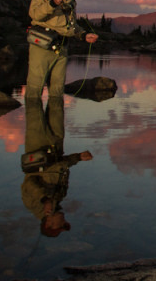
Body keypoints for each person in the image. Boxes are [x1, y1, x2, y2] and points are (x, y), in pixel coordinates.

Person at [25, 0, 98, 100]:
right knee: (35, 90)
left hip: (62, 48)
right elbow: (34, 14)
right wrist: (52, 3)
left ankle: (56, 121)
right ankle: (34, 118)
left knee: (57, 92)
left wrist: (83, 35)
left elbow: (69, 24)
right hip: (42, 47)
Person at [21, 95, 93, 237]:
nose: (63, 219)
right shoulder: (59, 197)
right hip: (56, 145)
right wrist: (78, 157)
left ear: (48, 223)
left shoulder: (34, 206)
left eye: (60, 224)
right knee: (57, 102)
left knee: (34, 105)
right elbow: (58, 165)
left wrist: (45, 199)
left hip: (37, 145)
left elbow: (29, 184)